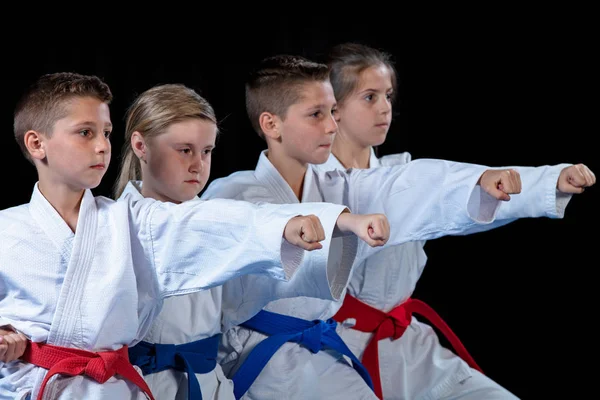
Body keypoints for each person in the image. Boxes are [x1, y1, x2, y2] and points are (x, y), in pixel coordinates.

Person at [0, 72, 375, 400]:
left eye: (105, 133)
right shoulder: (8, 230)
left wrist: (283, 227)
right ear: (37, 144)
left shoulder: (129, 221)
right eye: (85, 133)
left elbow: (203, 223)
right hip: (36, 386)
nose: (101, 145)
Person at [201, 54, 525, 400]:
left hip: (343, 348)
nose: (331, 126)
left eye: (331, 113)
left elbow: (426, 184)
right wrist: (348, 221)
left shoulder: (344, 185)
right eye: (317, 114)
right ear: (271, 124)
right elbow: (257, 227)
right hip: (264, 357)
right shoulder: (233, 194)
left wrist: (500, 181)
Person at [318, 42, 596, 399]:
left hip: (409, 347)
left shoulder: (398, 173)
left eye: (388, 95)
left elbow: (445, 196)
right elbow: (432, 186)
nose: (386, 107)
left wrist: (542, 184)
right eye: (370, 97)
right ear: (335, 109)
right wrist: (519, 181)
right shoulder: (316, 185)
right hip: (334, 351)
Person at [114, 83, 389, 400]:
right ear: (140, 145)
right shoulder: (116, 223)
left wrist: (343, 222)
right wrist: (287, 227)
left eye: (207, 151)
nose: (197, 165)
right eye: (184, 150)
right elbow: (235, 222)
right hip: (142, 386)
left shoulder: (212, 217)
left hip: (208, 382)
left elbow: (245, 227)